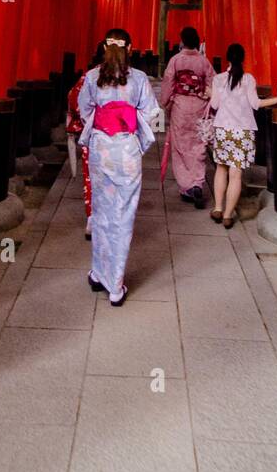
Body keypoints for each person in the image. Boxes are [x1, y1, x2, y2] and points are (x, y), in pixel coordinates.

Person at [78, 27, 157, 306]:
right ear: (130, 49)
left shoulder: (91, 77)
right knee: (123, 214)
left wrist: (103, 126)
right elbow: (151, 112)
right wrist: (131, 127)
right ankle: (115, 283)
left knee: (101, 210)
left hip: (101, 148)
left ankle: (99, 272)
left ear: (104, 47)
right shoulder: (138, 79)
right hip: (126, 150)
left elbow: (84, 109)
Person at [208, 42, 277, 229]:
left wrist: (211, 93)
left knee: (221, 169)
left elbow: (215, 105)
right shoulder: (248, 79)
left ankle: (217, 208)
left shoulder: (218, 79)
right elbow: (256, 103)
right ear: (243, 59)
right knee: (236, 174)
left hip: (223, 129)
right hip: (242, 131)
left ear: (227, 57)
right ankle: (227, 215)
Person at [159, 25, 214, 208]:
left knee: (180, 145)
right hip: (199, 105)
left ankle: (187, 187)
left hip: (181, 106)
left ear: (182, 41)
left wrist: (164, 102)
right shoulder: (204, 61)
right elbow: (212, 83)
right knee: (198, 145)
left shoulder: (176, 60)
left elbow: (168, 81)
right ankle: (198, 182)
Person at [66, 41, 105, 240]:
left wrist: (88, 121)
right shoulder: (132, 77)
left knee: (92, 177)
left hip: (94, 133)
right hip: (123, 139)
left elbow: (75, 100)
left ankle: (92, 218)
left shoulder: (89, 77)